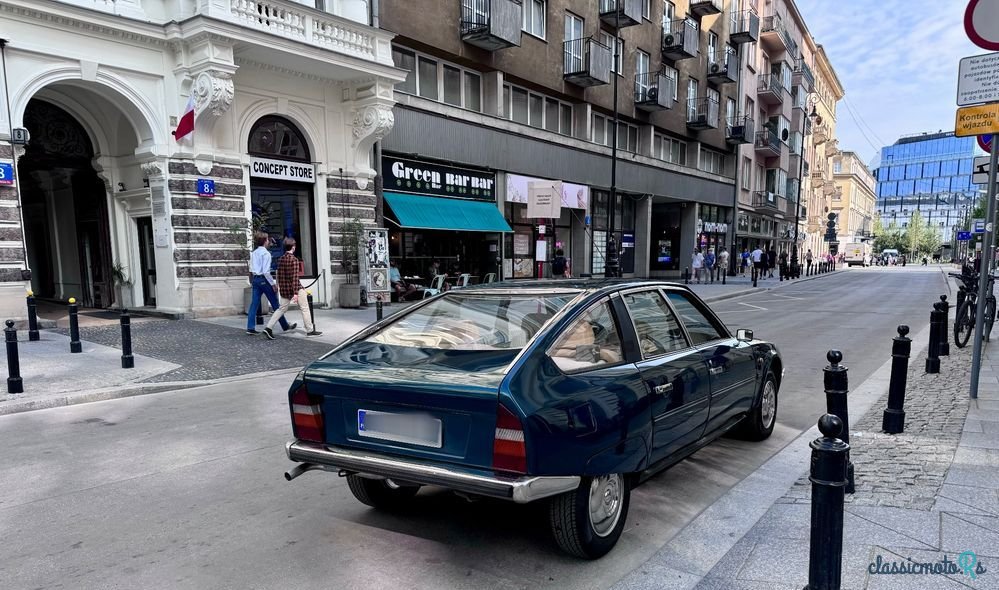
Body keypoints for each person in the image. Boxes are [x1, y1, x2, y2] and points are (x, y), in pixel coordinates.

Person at [264, 237, 321, 339]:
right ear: (293, 247)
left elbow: (278, 274)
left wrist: (277, 285)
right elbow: (294, 277)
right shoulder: (294, 260)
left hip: (285, 289)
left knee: (281, 309)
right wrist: (295, 293)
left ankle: (268, 328)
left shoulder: (280, 259)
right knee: (305, 308)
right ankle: (309, 330)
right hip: (296, 288)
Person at [246, 232, 294, 335]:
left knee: (254, 304)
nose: (268, 241)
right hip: (264, 280)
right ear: (264, 241)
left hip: (256, 279)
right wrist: (273, 284)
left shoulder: (254, 253)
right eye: (267, 239)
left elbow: (251, 269)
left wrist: (251, 280)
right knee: (276, 304)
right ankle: (285, 326)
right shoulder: (266, 253)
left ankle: (250, 327)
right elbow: (266, 271)